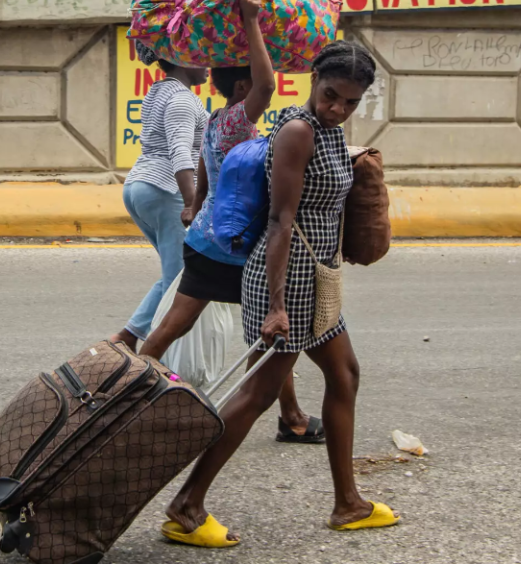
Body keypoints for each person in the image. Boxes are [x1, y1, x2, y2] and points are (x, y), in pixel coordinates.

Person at [160, 40, 399, 548]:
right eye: (332, 95)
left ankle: (347, 503)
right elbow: (279, 219)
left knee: (344, 374)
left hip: (315, 280)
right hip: (286, 282)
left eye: (351, 102)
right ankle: (187, 503)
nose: (339, 108)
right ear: (314, 78)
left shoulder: (327, 132)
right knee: (258, 393)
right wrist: (274, 306)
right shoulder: (296, 131)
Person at [140, 0, 324, 445]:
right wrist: (251, 21)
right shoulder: (240, 120)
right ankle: (284, 415)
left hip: (205, 242)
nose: (263, 89)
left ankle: (132, 390)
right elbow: (266, 84)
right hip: (235, 249)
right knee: (270, 335)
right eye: (253, 86)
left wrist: (196, 205)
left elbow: (204, 166)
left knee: (173, 327)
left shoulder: (218, 120)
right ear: (242, 89)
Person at [111, 45, 209, 351]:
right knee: (182, 281)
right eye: (201, 55)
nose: (208, 63)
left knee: (176, 272)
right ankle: (158, 361)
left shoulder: (160, 92)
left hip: (141, 187)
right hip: (166, 191)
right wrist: (192, 202)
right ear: (182, 57)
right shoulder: (181, 99)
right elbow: (180, 150)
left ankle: (128, 337)